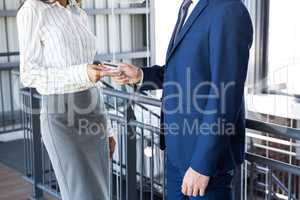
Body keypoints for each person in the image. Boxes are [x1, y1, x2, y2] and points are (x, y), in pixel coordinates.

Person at [111, 0, 253, 199]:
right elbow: (184, 72)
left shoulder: (229, 10)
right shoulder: (188, 7)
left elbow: (225, 95)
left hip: (206, 165)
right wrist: (141, 75)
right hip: (177, 155)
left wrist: (202, 165)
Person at [17, 0, 118, 199]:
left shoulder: (78, 12)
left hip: (94, 110)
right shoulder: (33, 10)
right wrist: (81, 73)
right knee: (80, 194)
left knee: (102, 194)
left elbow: (91, 76)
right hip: (61, 116)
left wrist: (108, 128)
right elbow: (29, 74)